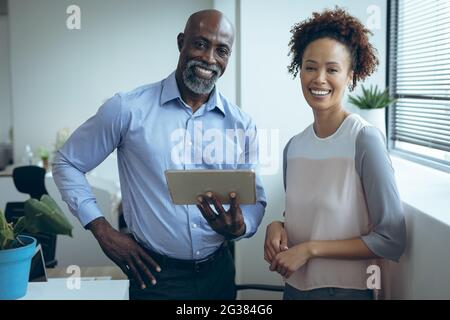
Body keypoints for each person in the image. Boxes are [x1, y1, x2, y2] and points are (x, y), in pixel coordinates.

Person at [52, 9, 266, 300]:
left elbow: (255, 196)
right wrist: (102, 229)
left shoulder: (242, 124)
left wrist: (243, 225)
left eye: (222, 50)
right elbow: (67, 162)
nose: (209, 58)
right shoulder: (127, 109)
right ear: (181, 43)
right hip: (154, 276)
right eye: (200, 44)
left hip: (219, 273)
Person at [264, 8, 406, 300]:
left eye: (332, 69)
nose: (319, 79)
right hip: (294, 289)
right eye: (310, 67)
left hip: (346, 292)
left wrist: (310, 249)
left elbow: (391, 239)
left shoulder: (365, 140)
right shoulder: (293, 147)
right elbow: (303, 217)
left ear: (350, 76)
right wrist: (277, 226)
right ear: (298, 70)